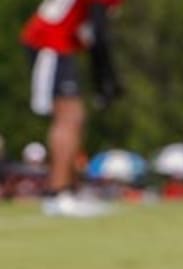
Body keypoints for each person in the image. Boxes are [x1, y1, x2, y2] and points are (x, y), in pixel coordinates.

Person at [21, 0, 124, 217]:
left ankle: (68, 190)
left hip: (59, 43)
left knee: (76, 117)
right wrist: (106, 82)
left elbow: (92, 33)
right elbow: (99, 32)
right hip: (49, 41)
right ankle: (57, 194)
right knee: (68, 117)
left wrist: (104, 82)